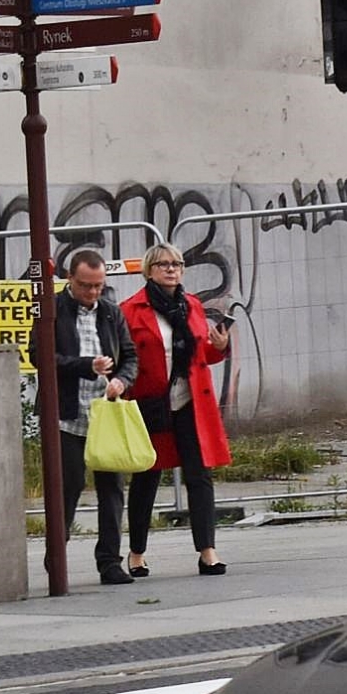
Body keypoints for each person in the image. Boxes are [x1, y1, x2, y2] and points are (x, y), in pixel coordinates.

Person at [120, 243, 232, 577]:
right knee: (147, 476)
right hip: (150, 403)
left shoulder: (192, 305)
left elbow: (201, 355)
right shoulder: (131, 309)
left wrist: (219, 347)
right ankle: (136, 553)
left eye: (178, 264)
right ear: (150, 270)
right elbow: (125, 356)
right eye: (164, 264)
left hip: (190, 401)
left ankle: (207, 552)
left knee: (199, 475)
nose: (172, 270)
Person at [52, 248, 140, 585]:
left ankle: (109, 562)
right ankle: (56, 556)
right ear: (70, 279)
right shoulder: (54, 311)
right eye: (85, 285)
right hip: (68, 415)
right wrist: (86, 366)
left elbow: (130, 357)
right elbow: (41, 355)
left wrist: (121, 380)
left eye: (98, 286)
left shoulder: (111, 313)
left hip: (106, 414)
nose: (92, 293)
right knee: (68, 487)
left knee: (112, 489)